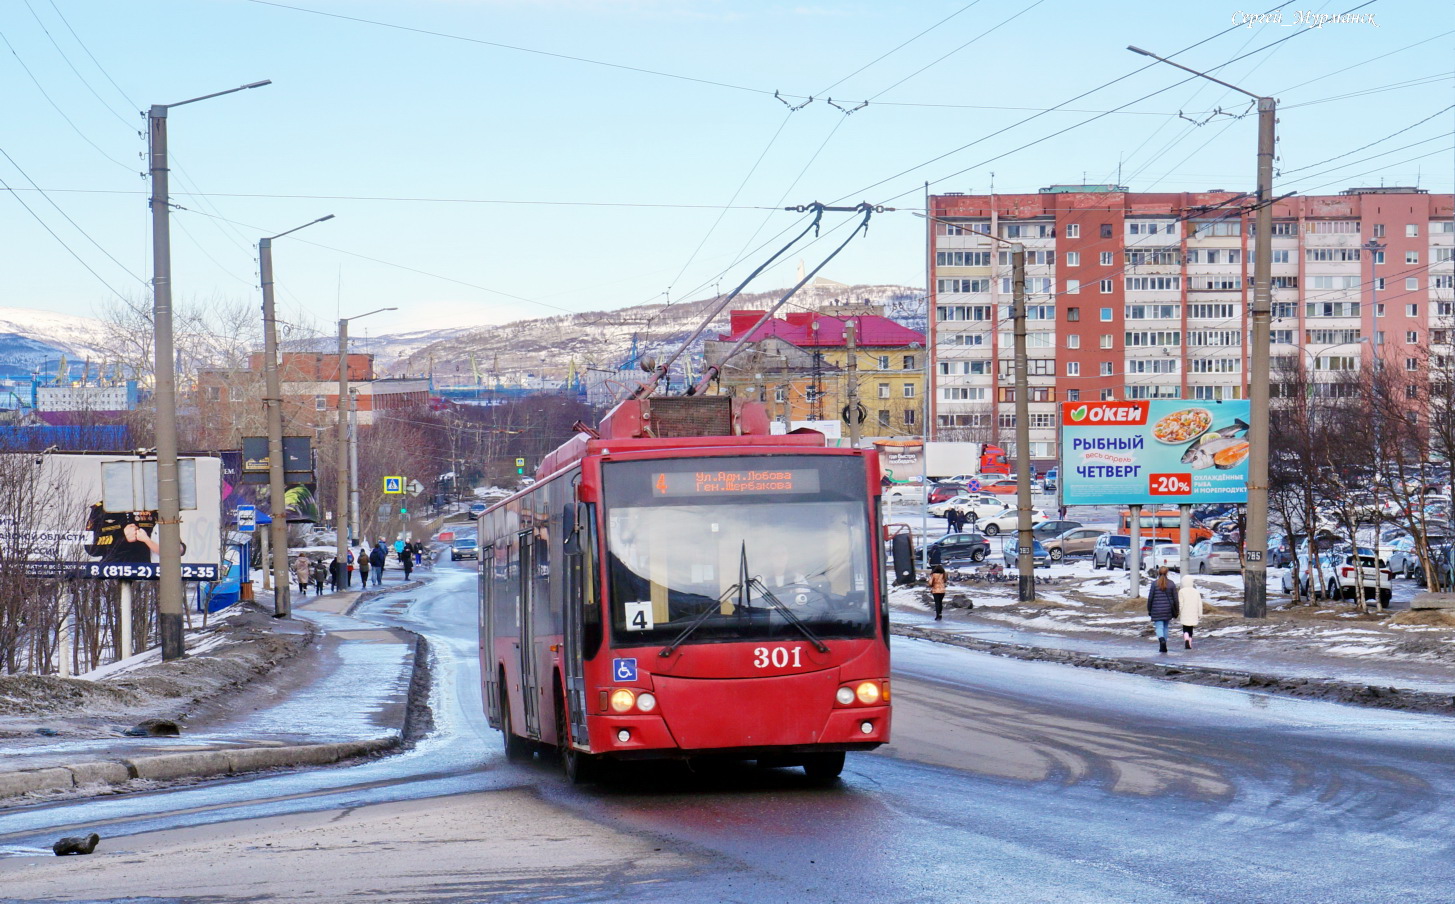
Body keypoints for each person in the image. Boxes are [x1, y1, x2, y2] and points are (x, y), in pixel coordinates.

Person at [1146, 566, 1180, 654]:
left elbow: (1150, 598)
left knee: (1159, 627)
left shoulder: (1154, 584)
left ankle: (1161, 640)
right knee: (1165, 627)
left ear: (1158, 573)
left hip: (1156, 610)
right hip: (1168, 609)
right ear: (1167, 573)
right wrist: (1176, 610)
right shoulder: (1171, 584)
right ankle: (1164, 642)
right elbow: (1175, 599)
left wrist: (1149, 609)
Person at [1179, 576, 1204, 650]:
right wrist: (1200, 613)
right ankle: (1189, 643)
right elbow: (1199, 603)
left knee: (1185, 627)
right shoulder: (1196, 591)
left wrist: (1178, 612)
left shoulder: (1181, 591)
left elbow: (1181, 603)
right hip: (1193, 612)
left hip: (1184, 612)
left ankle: (1186, 638)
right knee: (1191, 628)